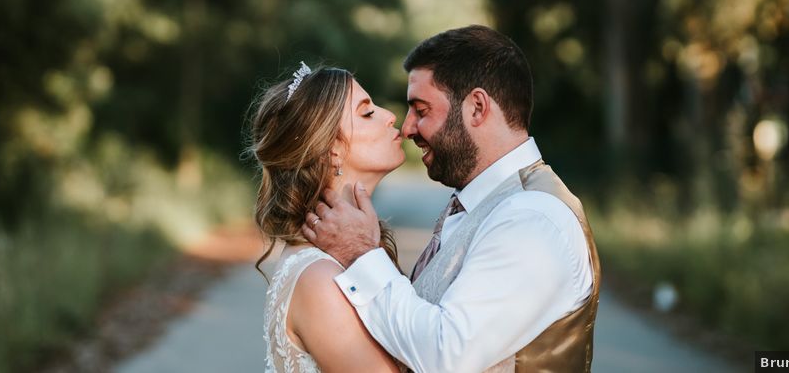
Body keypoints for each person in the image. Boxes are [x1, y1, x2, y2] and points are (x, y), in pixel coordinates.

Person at [302, 26, 601, 373]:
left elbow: (446, 357)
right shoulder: (482, 204)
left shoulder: (533, 218)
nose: (408, 127)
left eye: (422, 110)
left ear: (476, 107)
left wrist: (361, 255)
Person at [250, 62, 406, 373]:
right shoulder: (319, 280)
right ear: (332, 149)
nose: (390, 116)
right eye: (367, 113)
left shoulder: (329, 262)